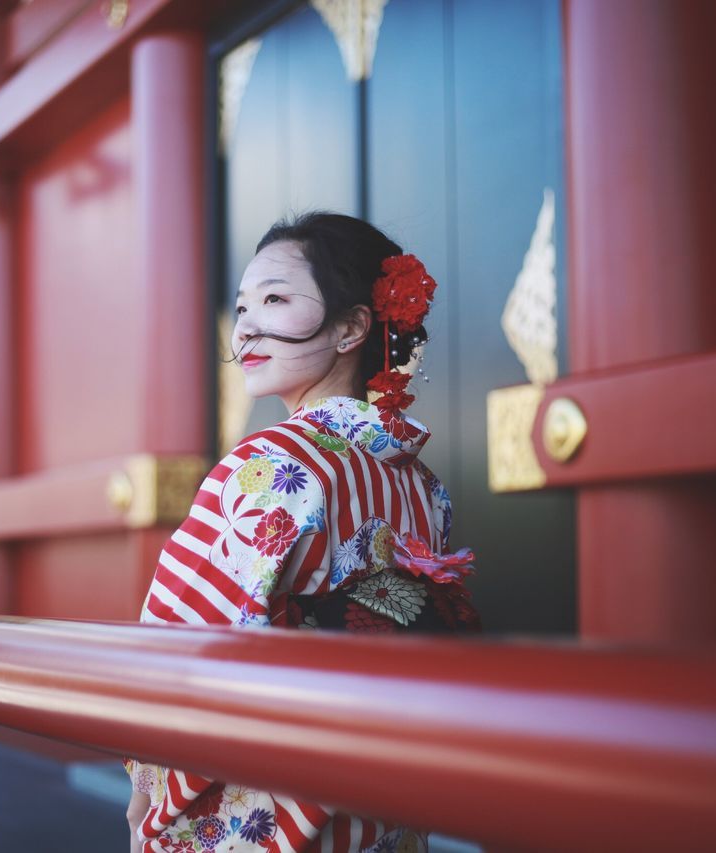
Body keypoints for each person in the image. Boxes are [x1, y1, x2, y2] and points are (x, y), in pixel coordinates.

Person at [126, 212, 480, 853]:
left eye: (275, 299)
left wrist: (145, 787)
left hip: (272, 800)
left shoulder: (274, 464)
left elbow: (178, 648)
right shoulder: (420, 482)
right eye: (241, 307)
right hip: (379, 802)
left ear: (350, 327)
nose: (247, 327)